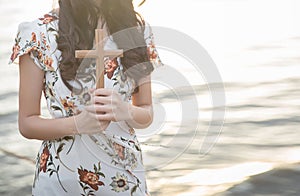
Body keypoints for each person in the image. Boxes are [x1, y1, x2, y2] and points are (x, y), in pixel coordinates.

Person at [8, 0, 163, 195]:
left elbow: (146, 112)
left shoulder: (137, 30)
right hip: (62, 182)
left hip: (124, 181)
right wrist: (77, 124)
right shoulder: (38, 33)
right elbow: (27, 123)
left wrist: (125, 110)